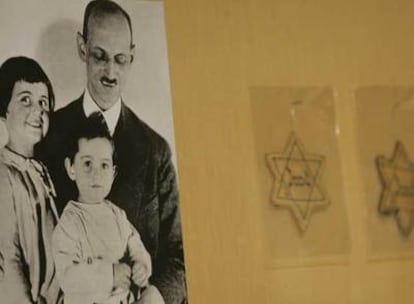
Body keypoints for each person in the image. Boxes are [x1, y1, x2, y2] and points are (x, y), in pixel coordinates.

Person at [39, 1, 186, 303]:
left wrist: (153, 297)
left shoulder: (156, 150)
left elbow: (181, 255)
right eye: (99, 56)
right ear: (82, 48)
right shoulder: (47, 136)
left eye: (121, 60)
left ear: (133, 56)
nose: (110, 71)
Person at [52, 121, 153, 304]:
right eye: (88, 163)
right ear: (71, 168)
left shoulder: (118, 215)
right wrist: (110, 274)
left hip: (123, 299)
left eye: (104, 165)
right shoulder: (70, 222)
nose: (96, 174)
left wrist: (141, 266)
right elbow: (67, 276)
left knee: (153, 295)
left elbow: (136, 245)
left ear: (113, 173)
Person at [0, 56, 60, 304]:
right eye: (25, 100)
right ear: (4, 109)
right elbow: (8, 258)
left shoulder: (43, 171)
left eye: (43, 102)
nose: (38, 111)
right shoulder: (3, 174)